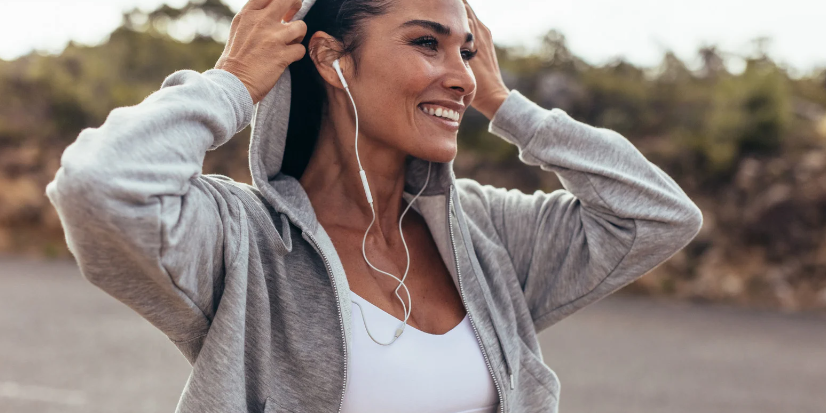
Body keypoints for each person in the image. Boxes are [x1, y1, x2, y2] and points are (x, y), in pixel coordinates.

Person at [45, 0, 703, 411]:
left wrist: (509, 107)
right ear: (333, 60)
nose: (462, 74)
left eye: (465, 50)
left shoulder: (486, 235)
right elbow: (99, 186)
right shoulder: (243, 242)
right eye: (427, 42)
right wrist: (233, 85)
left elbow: (658, 215)